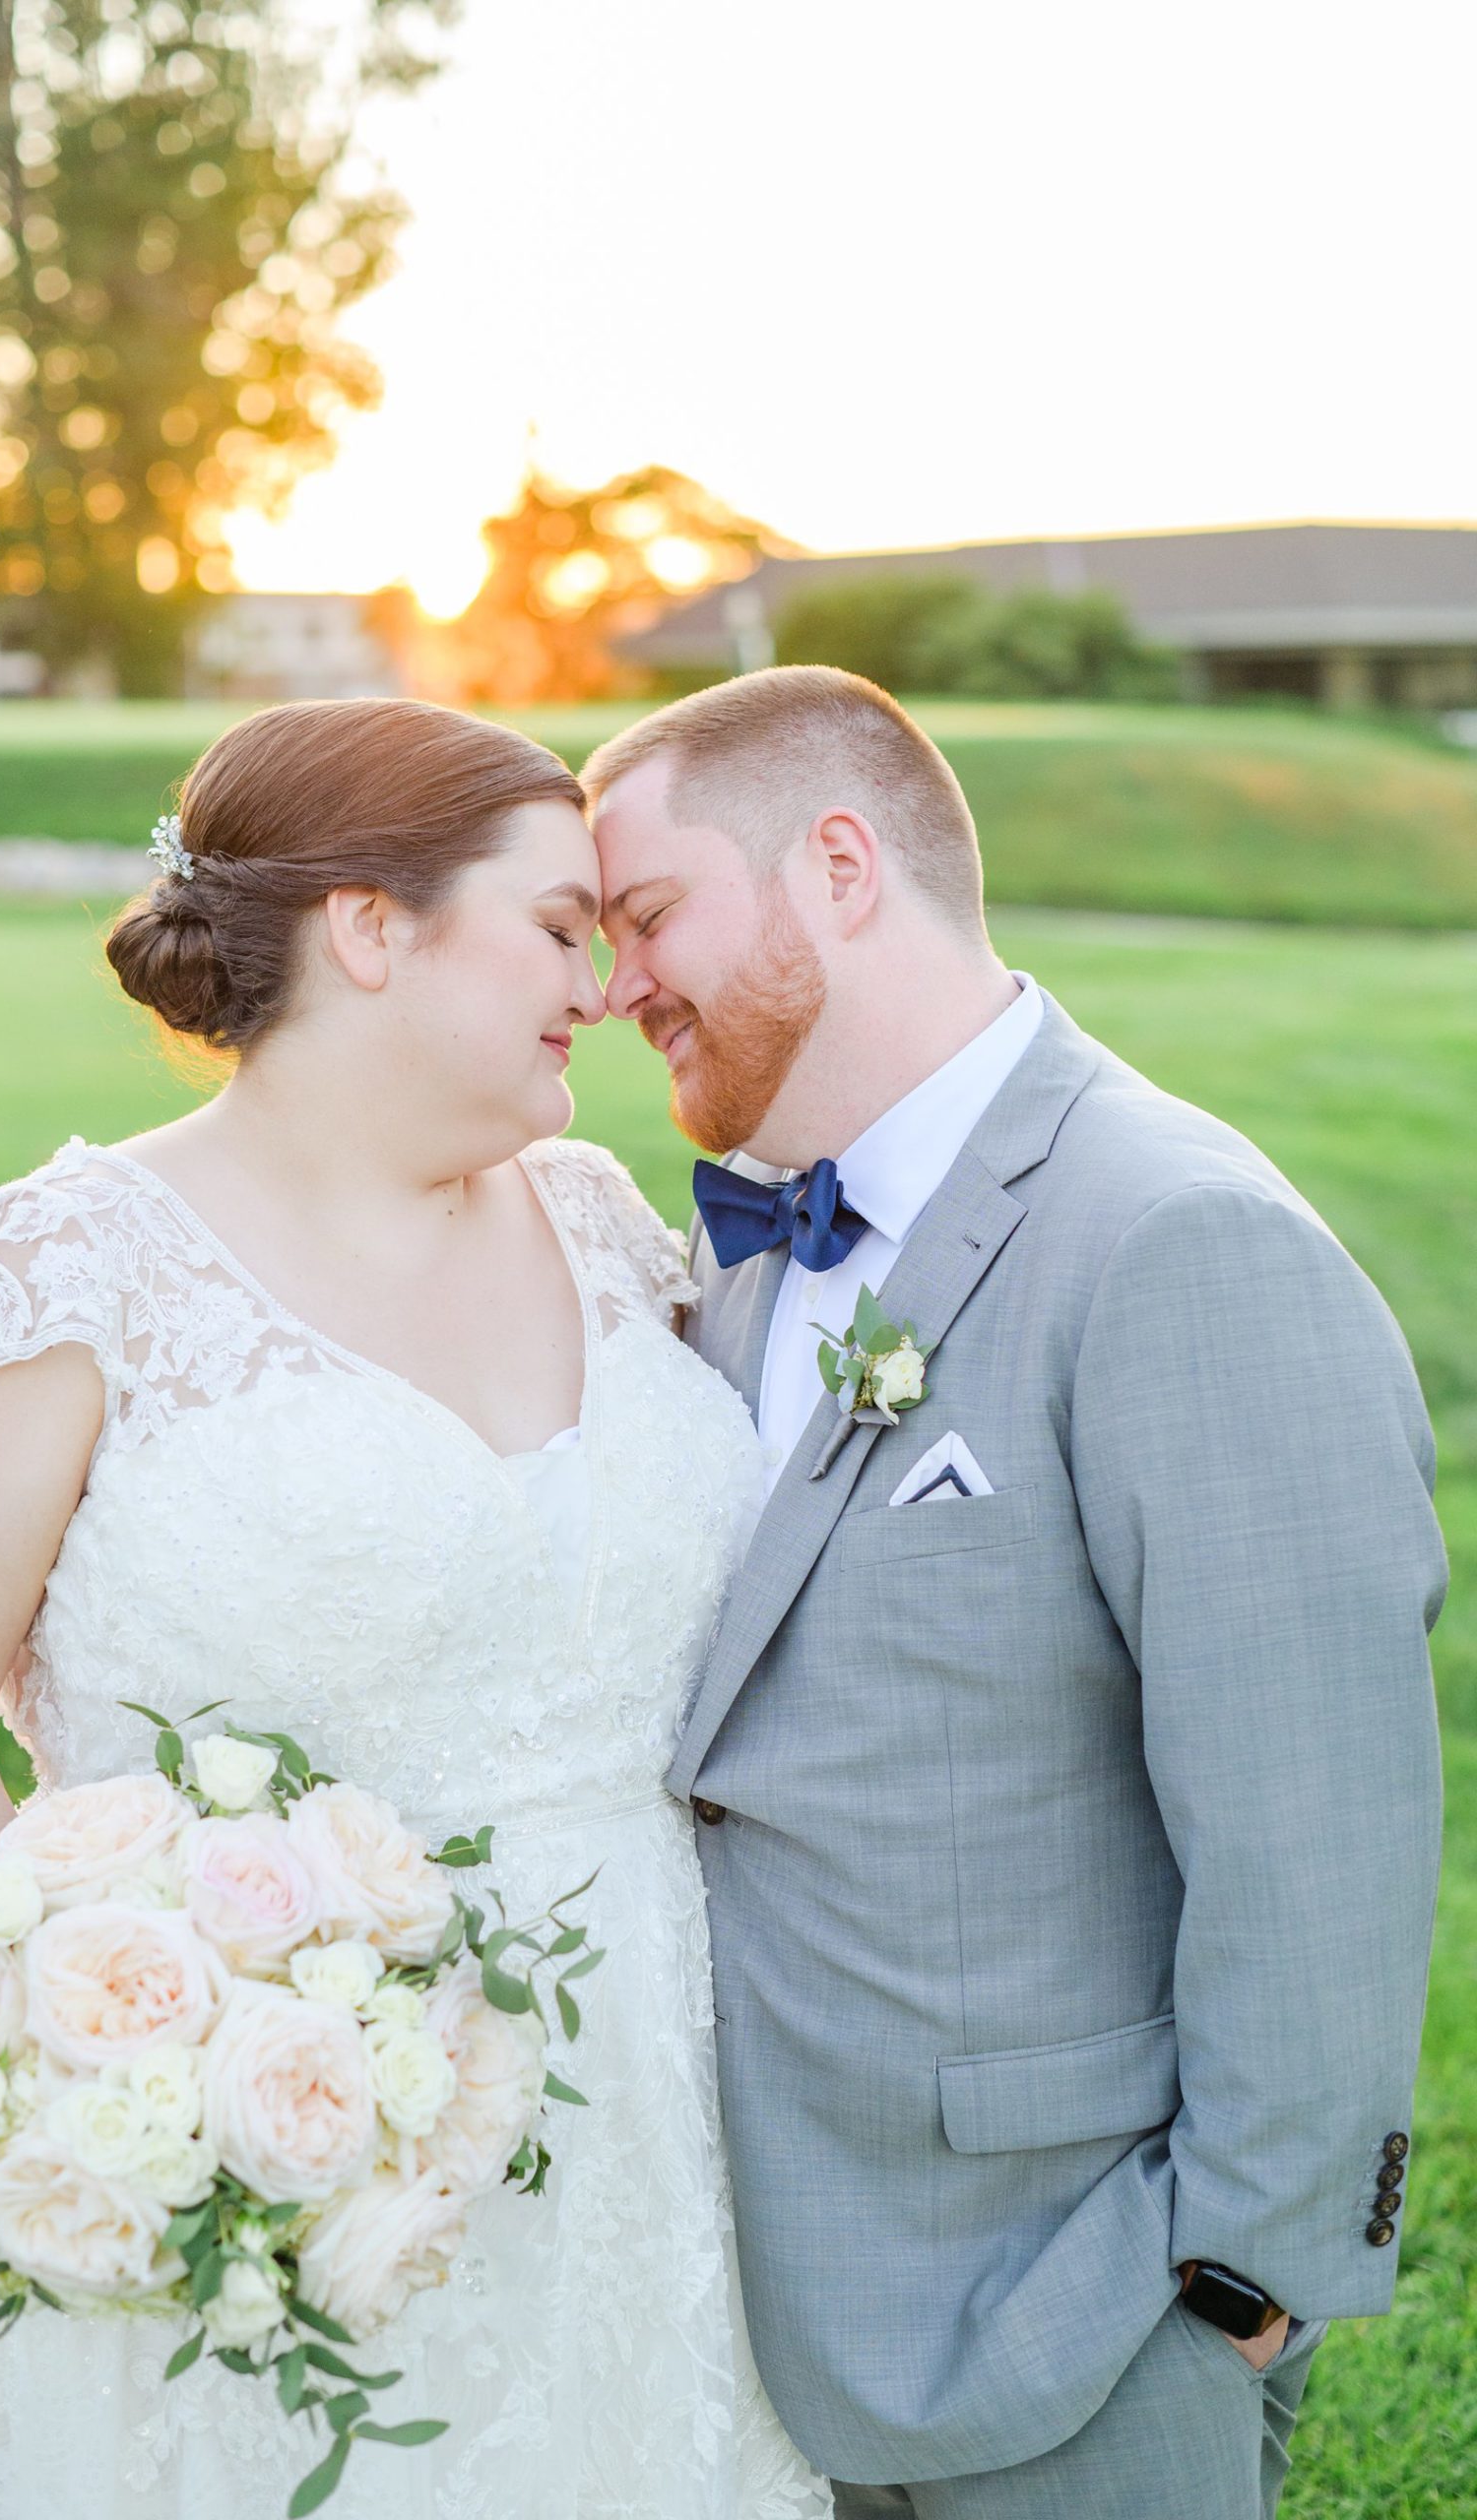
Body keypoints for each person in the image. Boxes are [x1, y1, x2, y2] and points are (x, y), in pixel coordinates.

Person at [0, 697, 831, 2520]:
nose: (601, 988)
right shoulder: (55, 1274)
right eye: (557, 927)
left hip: (653, 2117)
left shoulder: (601, 1219)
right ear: (371, 926)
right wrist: (132, 2061)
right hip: (267, 2140)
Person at [585, 664, 1445, 2520]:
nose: (613, 984)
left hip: (1074, 2320)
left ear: (836, 865)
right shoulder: (741, 1254)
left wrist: (1239, 2285)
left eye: (649, 915)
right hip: (742, 2317)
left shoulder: (1179, 1241)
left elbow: (1319, 1836)